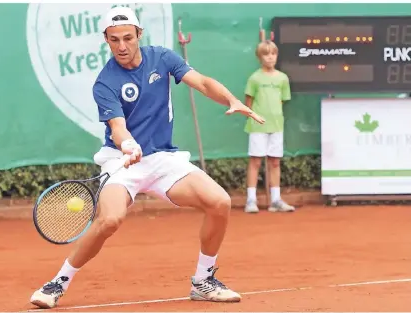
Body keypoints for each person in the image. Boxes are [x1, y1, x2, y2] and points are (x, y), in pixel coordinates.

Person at [30, 6, 265, 309]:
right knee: (109, 221)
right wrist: (128, 146)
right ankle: (57, 283)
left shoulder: (162, 57)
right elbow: (118, 127)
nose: (122, 46)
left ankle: (203, 280)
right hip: (121, 160)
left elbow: (203, 82)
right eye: (114, 40)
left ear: (139, 34)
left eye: (128, 37)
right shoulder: (105, 82)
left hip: (163, 159)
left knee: (219, 202)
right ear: (106, 39)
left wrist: (232, 100)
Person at [243, 40, 295, 214]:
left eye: (273, 53)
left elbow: (281, 101)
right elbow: (248, 103)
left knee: (274, 162)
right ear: (260, 57)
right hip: (257, 126)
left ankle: (275, 201)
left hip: (277, 125)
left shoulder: (282, 78)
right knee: (255, 161)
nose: (270, 57)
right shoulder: (254, 78)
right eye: (266, 54)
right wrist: (255, 118)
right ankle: (251, 200)